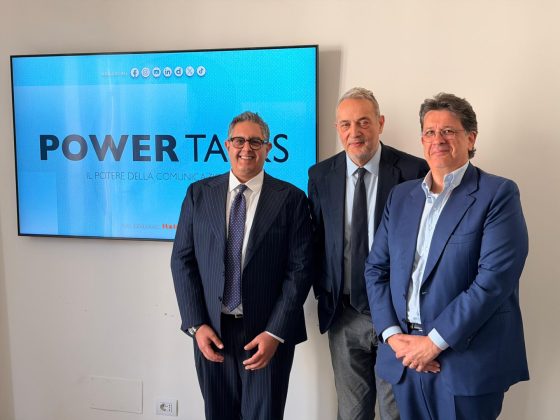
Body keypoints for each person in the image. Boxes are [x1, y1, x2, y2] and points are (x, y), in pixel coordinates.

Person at [365, 92, 529, 419]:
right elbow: (375, 270)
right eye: (429, 132)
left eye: (448, 131)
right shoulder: (401, 197)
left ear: (471, 138)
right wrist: (393, 336)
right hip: (404, 357)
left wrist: (434, 342)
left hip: (465, 359)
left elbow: (493, 281)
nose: (437, 139)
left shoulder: (498, 194)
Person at [171, 111, 313, 420]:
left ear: (268, 148)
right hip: (212, 332)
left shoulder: (291, 199)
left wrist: (275, 333)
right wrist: (196, 325)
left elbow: (300, 270)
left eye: (255, 141)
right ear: (227, 145)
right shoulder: (198, 194)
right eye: (239, 140)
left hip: (266, 335)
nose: (246, 148)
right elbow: (182, 261)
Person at [308, 87, 428, 420]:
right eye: (346, 124)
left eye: (363, 122)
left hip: (398, 316)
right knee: (351, 413)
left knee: (396, 412)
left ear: (380, 123)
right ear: (337, 128)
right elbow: (316, 241)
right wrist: (324, 291)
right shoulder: (320, 175)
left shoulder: (414, 171)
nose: (355, 132)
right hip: (344, 313)